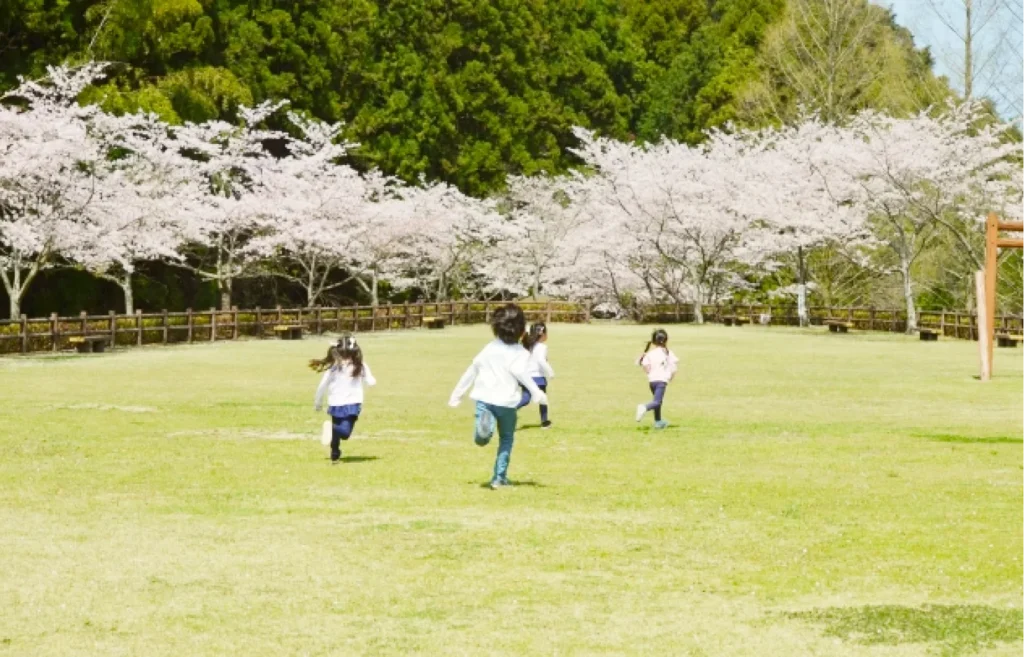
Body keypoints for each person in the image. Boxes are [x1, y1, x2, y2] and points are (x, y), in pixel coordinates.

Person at [449, 304, 548, 489]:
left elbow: (472, 370)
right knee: (507, 439)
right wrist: (537, 392)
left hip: (484, 398)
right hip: (507, 402)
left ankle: (483, 431)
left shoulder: (489, 348)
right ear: (520, 329)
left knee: (481, 439)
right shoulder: (521, 353)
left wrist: (457, 394)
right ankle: (499, 478)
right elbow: (521, 373)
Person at [312, 335, 376, 463]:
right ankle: (332, 433)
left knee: (338, 432)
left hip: (340, 403)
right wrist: (318, 402)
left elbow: (322, 386)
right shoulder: (335, 368)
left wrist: (318, 402)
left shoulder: (358, 366)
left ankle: (335, 452)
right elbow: (322, 385)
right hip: (349, 404)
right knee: (345, 433)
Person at [635, 328, 678, 429]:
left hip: (652, 381)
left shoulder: (650, 354)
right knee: (657, 402)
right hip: (661, 381)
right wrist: (670, 376)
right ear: (666, 340)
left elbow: (647, 368)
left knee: (657, 401)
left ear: (654, 341)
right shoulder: (668, 353)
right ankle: (644, 407)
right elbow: (674, 367)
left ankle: (658, 421)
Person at [516, 322, 554, 428]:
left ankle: (509, 411)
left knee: (525, 399)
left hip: (525, 377)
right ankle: (544, 422)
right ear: (542, 334)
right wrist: (550, 372)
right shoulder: (542, 347)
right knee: (543, 399)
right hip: (537, 378)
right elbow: (542, 361)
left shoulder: (525, 345)